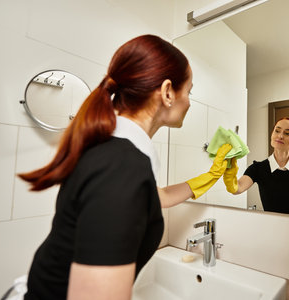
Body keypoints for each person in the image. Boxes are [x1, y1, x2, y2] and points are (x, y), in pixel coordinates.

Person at [18, 34, 232, 300]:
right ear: (167, 92)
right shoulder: (122, 167)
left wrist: (209, 177)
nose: (188, 101)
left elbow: (159, 196)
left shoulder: (114, 152)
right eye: (188, 91)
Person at [223, 117, 289, 217]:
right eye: (277, 131)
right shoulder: (257, 168)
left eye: (287, 133)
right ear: (272, 134)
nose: (280, 136)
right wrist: (229, 169)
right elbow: (237, 188)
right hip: (269, 223)